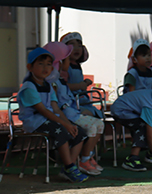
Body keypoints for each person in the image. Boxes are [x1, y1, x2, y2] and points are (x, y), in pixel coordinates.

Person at [18, 47, 89, 183]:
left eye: (49, 64)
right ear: (30, 67)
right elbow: (43, 111)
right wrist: (64, 124)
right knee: (61, 131)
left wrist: (68, 124)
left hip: (49, 120)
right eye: (40, 63)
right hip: (35, 122)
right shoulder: (29, 87)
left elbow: (55, 109)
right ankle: (69, 166)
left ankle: (69, 168)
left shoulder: (48, 86)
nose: (45, 67)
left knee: (79, 132)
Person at [43, 41, 105, 176]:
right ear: (59, 62)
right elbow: (55, 106)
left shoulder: (59, 79)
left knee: (99, 124)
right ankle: (81, 162)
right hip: (67, 115)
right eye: (66, 59)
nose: (69, 62)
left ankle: (86, 158)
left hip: (72, 113)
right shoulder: (51, 82)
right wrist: (65, 121)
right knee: (92, 127)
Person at [60, 32, 101, 118]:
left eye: (79, 45)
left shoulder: (77, 65)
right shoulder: (64, 68)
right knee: (88, 114)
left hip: (82, 100)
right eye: (72, 45)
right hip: (71, 103)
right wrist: (79, 85)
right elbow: (62, 86)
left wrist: (84, 83)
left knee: (97, 114)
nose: (77, 48)